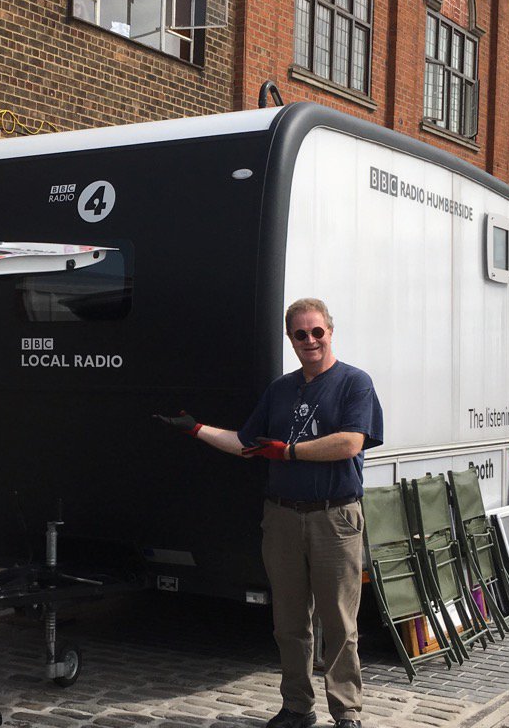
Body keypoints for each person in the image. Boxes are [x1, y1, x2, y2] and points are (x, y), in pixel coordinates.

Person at [155, 298, 382, 728]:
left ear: (330, 332)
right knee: (289, 621)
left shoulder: (355, 383)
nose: (310, 340)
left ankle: (346, 711)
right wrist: (196, 429)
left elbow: (351, 442)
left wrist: (290, 451)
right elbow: (246, 444)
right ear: (291, 338)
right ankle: (297, 707)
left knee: (339, 622)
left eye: (317, 332)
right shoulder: (280, 390)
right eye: (301, 334)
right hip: (281, 516)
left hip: (334, 518)